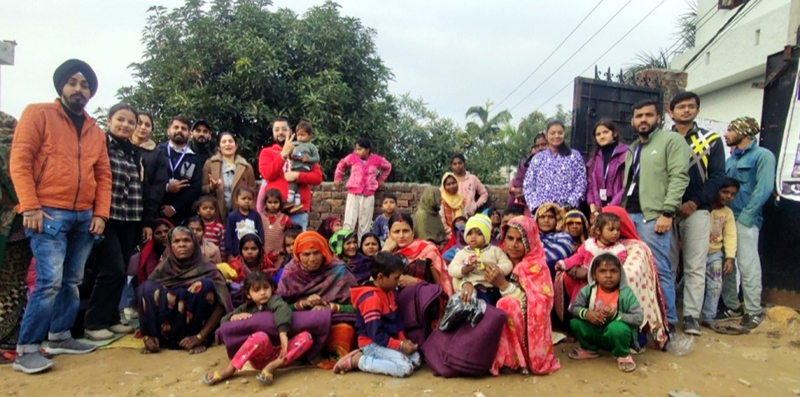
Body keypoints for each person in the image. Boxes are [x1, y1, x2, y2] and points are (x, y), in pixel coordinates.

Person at [9, 59, 112, 373]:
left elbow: (103, 175)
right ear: (61, 86)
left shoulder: (95, 130)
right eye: (73, 82)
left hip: (84, 215)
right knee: (49, 282)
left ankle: (60, 335)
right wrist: (29, 206)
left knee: (72, 280)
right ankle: (27, 348)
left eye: (85, 85)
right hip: (48, 212)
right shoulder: (38, 114)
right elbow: (20, 161)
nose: (78, 89)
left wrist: (101, 214)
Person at [85, 103, 158, 341]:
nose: (126, 125)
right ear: (109, 121)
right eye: (121, 120)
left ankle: (113, 319)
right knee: (112, 269)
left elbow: (143, 188)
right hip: (107, 217)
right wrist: (96, 213)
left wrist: (146, 222)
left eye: (130, 122)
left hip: (132, 218)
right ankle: (94, 322)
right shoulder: (100, 145)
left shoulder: (135, 153)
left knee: (124, 268)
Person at [621, 99, 690, 330]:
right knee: (630, 270)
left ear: (659, 118)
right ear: (633, 121)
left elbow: (679, 177)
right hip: (629, 215)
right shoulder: (633, 148)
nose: (643, 120)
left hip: (653, 217)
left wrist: (668, 212)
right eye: (639, 116)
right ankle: (640, 322)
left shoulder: (671, 141)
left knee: (659, 269)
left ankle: (668, 323)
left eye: (648, 115)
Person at [666, 91, 727, 336]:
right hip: (666, 212)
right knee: (667, 266)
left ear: (697, 110)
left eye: (691, 106)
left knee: (695, 266)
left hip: (698, 210)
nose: (686, 110)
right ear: (671, 112)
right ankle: (667, 313)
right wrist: (669, 206)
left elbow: (718, 176)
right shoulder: (663, 139)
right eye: (681, 106)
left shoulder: (711, 139)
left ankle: (691, 315)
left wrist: (694, 202)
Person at [204, 271, 312, 386]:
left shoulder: (274, 301)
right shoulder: (247, 307)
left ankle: (272, 367)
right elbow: (224, 322)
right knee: (261, 336)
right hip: (257, 356)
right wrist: (233, 316)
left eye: (266, 288)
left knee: (307, 337)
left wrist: (283, 333)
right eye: (257, 290)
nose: (262, 293)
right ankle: (230, 369)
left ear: (272, 288)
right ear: (248, 294)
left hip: (282, 353)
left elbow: (282, 308)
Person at [138, 226, 233, 354]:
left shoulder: (207, 268)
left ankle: (196, 339)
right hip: (167, 330)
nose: (182, 245)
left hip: (198, 331)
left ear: (194, 243)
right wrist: (147, 335)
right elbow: (145, 298)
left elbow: (222, 304)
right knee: (146, 288)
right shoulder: (163, 269)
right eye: (176, 241)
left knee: (204, 286)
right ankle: (154, 338)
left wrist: (200, 337)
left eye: (186, 240)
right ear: (170, 246)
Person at [720, 117, 776, 329]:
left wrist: (745, 217)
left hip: (745, 220)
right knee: (728, 265)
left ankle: (753, 311)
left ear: (744, 132)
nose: (726, 134)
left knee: (748, 265)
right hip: (727, 219)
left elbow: (763, 189)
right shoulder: (732, 159)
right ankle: (732, 306)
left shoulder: (763, 156)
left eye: (730, 129)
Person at [276, 231, 357, 368]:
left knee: (345, 330)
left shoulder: (339, 271)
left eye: (316, 253)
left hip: (331, 323)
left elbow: (356, 306)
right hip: (300, 324)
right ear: (297, 255)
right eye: (306, 254)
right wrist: (303, 304)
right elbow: (279, 306)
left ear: (324, 252)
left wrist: (330, 307)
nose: (312, 259)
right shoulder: (291, 272)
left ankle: (329, 360)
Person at [490, 216, 559, 375]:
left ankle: (517, 360)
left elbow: (542, 304)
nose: (514, 245)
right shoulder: (497, 258)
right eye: (510, 238)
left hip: (527, 326)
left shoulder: (538, 267)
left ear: (531, 240)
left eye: (520, 239)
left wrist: (504, 285)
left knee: (506, 304)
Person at [333, 252, 421, 377]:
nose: (399, 281)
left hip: (386, 341)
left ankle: (383, 358)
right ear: (381, 277)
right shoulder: (371, 299)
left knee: (416, 359)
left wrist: (402, 339)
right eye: (396, 278)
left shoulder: (388, 291)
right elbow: (375, 334)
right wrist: (400, 346)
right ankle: (359, 360)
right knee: (405, 368)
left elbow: (397, 319)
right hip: (372, 343)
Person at [568, 253, 643, 373]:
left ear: (621, 274)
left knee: (618, 328)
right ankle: (589, 349)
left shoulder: (625, 293)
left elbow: (638, 318)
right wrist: (587, 314)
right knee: (575, 323)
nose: (608, 276)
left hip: (615, 336)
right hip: (595, 331)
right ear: (594, 274)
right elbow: (574, 308)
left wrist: (615, 315)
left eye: (613, 271)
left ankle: (623, 355)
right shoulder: (589, 290)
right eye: (602, 271)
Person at [0, 112, 33, 355]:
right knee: (11, 286)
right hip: (13, 227)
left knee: (15, 285)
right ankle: (6, 341)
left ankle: (11, 340)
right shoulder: (18, 154)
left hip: (18, 228)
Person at [258, 118, 323, 230]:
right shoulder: (267, 152)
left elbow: (317, 178)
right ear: (273, 133)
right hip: (274, 209)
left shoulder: (304, 150)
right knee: (273, 245)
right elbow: (267, 174)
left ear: (291, 132)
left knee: (296, 245)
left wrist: (297, 176)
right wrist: (282, 155)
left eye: (284, 129)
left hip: (298, 211)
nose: (280, 132)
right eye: (276, 129)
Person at [555, 213, 627, 306]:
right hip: (584, 285)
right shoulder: (589, 244)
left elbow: (617, 266)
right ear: (598, 230)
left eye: (618, 230)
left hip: (604, 286)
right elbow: (578, 257)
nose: (615, 233)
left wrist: (591, 274)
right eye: (611, 229)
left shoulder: (619, 250)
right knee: (579, 306)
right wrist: (564, 264)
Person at [334, 138, 392, 240]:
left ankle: (362, 248)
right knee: (349, 221)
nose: (357, 152)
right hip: (353, 193)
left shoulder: (376, 160)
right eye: (356, 149)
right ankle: (346, 245)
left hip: (368, 195)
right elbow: (341, 165)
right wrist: (338, 178)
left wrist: (381, 179)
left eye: (359, 149)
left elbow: (388, 167)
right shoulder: (352, 157)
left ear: (367, 150)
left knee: (365, 223)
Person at [382, 213, 453, 296]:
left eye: (406, 231)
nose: (401, 236)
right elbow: (373, 283)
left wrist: (416, 282)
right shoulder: (387, 252)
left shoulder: (428, 251)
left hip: (425, 302)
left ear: (413, 232)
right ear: (389, 234)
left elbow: (441, 289)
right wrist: (385, 251)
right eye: (396, 232)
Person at [449, 214, 513, 305]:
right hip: (474, 290)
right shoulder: (461, 253)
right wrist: (463, 270)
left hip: (493, 289)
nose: (473, 237)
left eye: (479, 234)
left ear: (487, 236)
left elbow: (507, 264)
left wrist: (498, 269)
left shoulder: (495, 250)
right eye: (470, 233)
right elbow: (451, 269)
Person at [523, 121, 587, 211]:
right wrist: (538, 207)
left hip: (567, 212)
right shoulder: (537, 159)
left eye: (560, 133)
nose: (556, 136)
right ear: (547, 135)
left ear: (564, 134)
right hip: (543, 213)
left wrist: (568, 205)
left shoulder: (574, 156)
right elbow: (528, 185)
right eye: (553, 133)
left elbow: (581, 183)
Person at [703, 179, 739, 327]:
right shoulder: (703, 208)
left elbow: (731, 235)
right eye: (725, 192)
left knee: (715, 285)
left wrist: (729, 258)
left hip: (715, 254)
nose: (728, 196)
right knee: (688, 282)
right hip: (697, 253)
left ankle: (708, 317)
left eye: (732, 194)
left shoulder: (727, 213)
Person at [158, 115, 204, 224]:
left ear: (190, 133)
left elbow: (195, 188)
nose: (179, 131)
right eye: (176, 127)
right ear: (168, 131)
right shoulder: (158, 152)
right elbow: (150, 180)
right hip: (157, 211)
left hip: (183, 215)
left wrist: (175, 208)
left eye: (183, 129)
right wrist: (167, 187)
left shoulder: (194, 158)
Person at [202, 131, 256, 222]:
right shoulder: (210, 164)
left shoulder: (246, 167)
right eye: (224, 142)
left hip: (241, 214)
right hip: (216, 213)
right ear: (219, 147)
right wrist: (211, 187)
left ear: (236, 145)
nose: (227, 144)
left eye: (230, 141)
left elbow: (252, 191)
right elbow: (203, 188)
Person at [586, 119, 628, 218]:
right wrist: (593, 207)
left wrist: (611, 207)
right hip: (599, 209)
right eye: (598, 134)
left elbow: (627, 184)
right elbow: (590, 184)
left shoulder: (626, 154)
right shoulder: (594, 157)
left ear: (615, 133)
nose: (602, 136)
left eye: (605, 132)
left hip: (619, 207)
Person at [286, 121, 321, 214]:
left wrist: (308, 159)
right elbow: (288, 155)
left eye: (303, 135)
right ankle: (297, 202)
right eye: (298, 135)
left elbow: (317, 158)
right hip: (294, 166)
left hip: (304, 168)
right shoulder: (294, 144)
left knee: (293, 182)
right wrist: (291, 155)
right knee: (297, 186)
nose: (300, 137)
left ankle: (289, 199)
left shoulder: (311, 147)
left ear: (310, 136)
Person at [508, 134, 548, 210]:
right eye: (537, 146)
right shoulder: (526, 165)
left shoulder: (557, 163)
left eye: (543, 145)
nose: (540, 148)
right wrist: (518, 191)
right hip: (529, 205)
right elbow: (518, 185)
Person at [534, 203, 574, 276]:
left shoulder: (565, 237)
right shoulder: (531, 237)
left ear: (557, 220)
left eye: (551, 217)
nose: (546, 220)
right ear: (536, 219)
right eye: (542, 217)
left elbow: (559, 256)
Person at [225, 187, 264, 261]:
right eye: (243, 198)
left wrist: (260, 248)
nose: (246, 201)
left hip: (253, 253)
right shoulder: (232, 216)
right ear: (236, 200)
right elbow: (229, 235)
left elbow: (260, 234)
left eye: (249, 199)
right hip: (236, 253)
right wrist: (229, 254)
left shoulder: (256, 216)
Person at [134, 219, 174, 285]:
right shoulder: (150, 253)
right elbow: (152, 275)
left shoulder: (182, 249)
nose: (163, 235)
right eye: (158, 233)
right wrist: (164, 259)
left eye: (166, 231)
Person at [260, 188, 293, 262]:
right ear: (265, 203)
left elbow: (290, 235)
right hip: (263, 256)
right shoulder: (260, 218)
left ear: (280, 203)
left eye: (276, 202)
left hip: (280, 256)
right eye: (270, 202)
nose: (273, 205)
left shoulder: (285, 219)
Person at [439, 172, 465, 240]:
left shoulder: (462, 199)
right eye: (448, 184)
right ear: (444, 186)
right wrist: (452, 232)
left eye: (453, 183)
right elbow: (442, 221)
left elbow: (465, 217)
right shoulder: (442, 200)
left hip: (462, 232)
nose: (451, 186)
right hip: (447, 235)